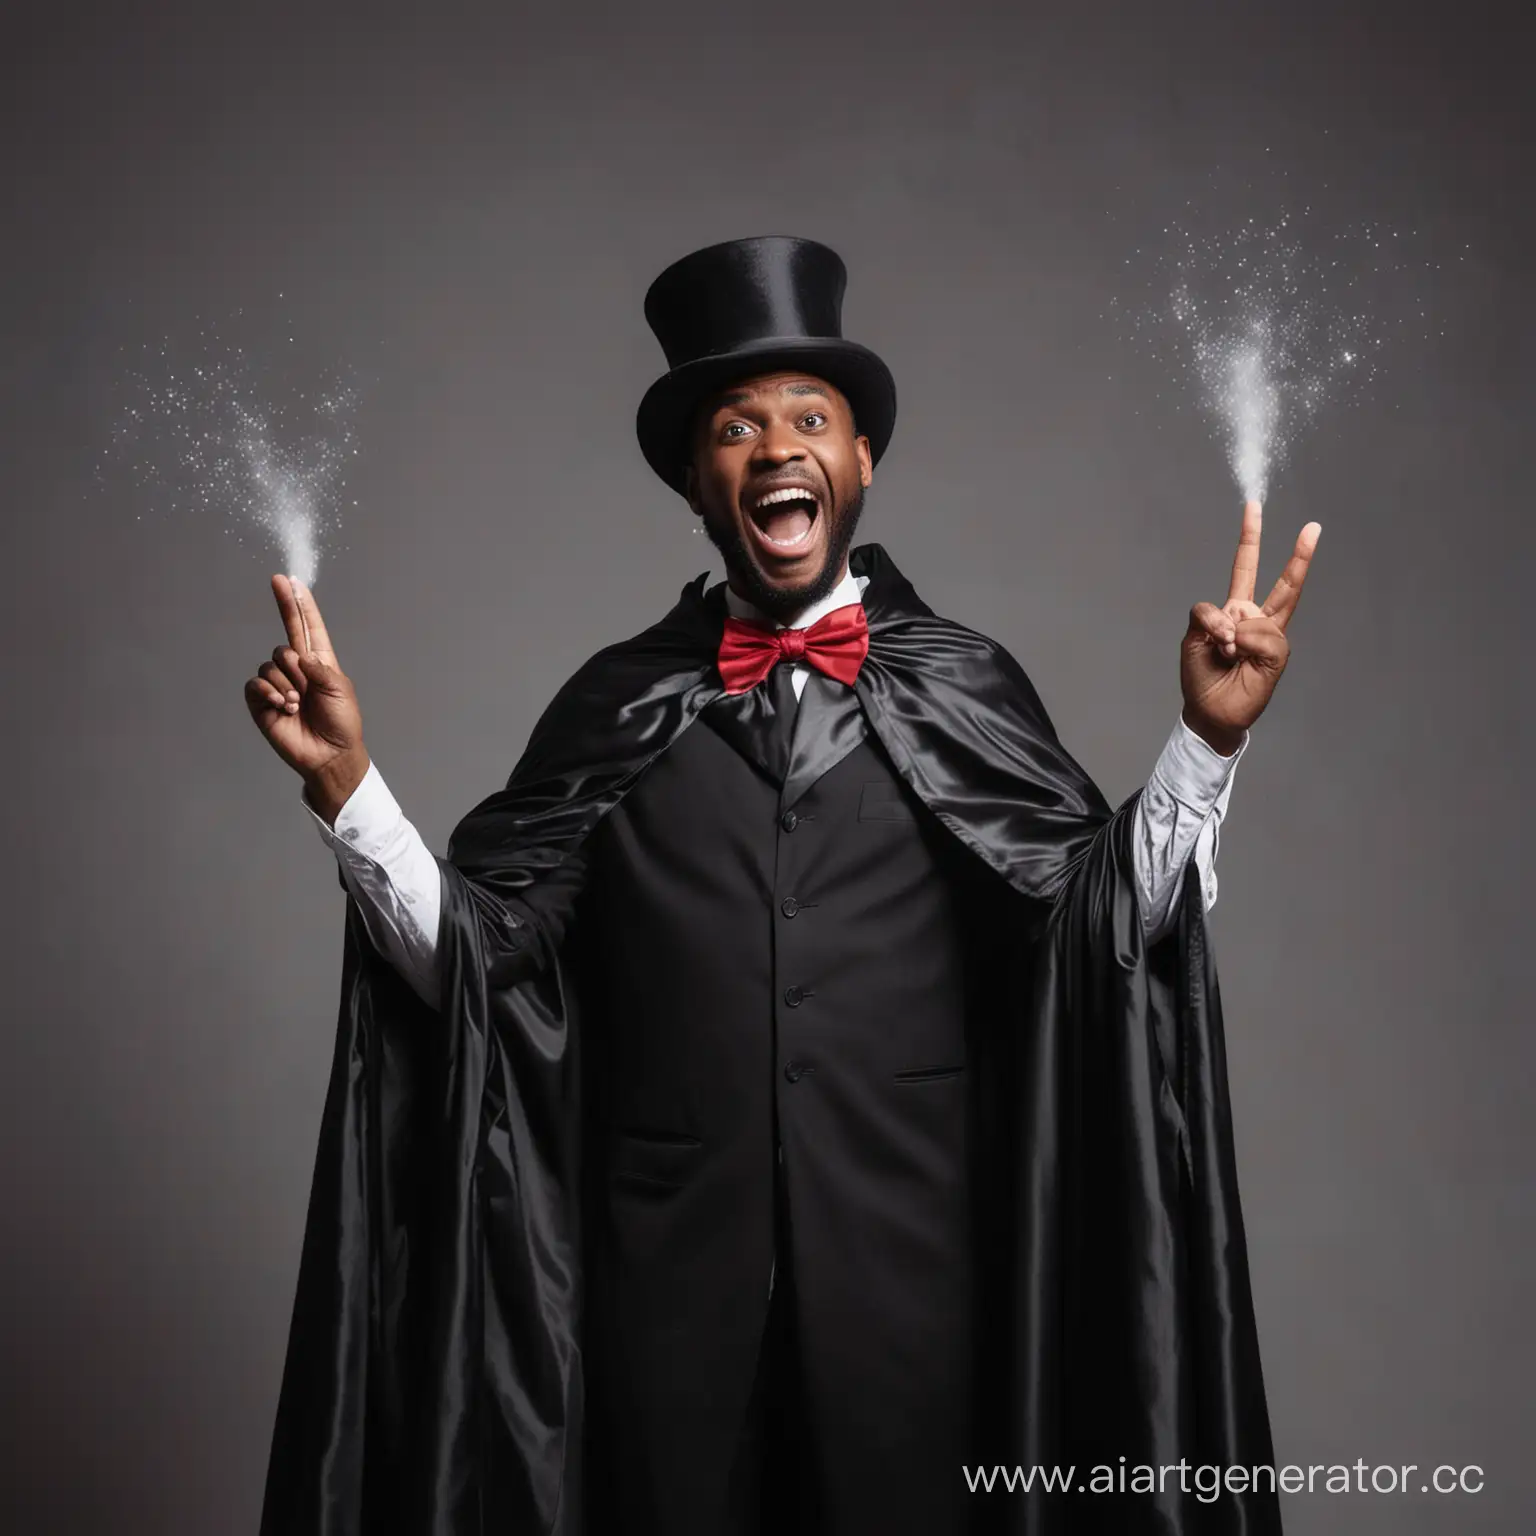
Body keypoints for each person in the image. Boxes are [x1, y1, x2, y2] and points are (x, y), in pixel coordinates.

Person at [247, 237, 1317, 1536]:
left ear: (862, 460)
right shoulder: (613, 703)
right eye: (736, 426)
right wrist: (348, 788)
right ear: (696, 479)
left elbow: (1110, 933)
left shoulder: (963, 679)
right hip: (658, 1301)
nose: (776, 447)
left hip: (928, 1283)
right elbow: (467, 962)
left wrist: (1206, 742)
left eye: (811, 417)